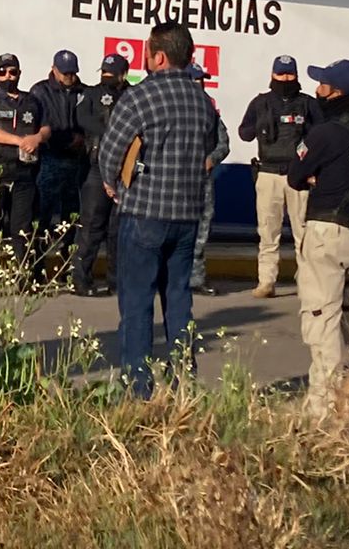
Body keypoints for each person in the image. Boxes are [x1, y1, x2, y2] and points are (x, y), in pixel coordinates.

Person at [98, 21, 227, 398]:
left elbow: (111, 151)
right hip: (187, 215)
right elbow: (209, 147)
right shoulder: (202, 101)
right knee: (178, 302)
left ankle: (138, 388)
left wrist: (113, 184)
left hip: (145, 213)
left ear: (158, 57)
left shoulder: (140, 97)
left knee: (137, 304)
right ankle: (182, 383)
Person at [287, 60, 349, 414]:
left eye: (323, 86)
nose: (317, 91)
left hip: (327, 233)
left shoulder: (326, 133)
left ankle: (324, 405)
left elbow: (296, 175)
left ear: (338, 93)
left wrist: (318, 178)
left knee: (322, 319)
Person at [237, 55, 321, 299]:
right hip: (268, 173)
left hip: (298, 175)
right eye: (281, 74)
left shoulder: (308, 104)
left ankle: (307, 281)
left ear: (296, 75)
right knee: (267, 232)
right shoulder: (260, 103)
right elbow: (244, 133)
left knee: (303, 233)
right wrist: (260, 124)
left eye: (290, 74)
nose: (285, 79)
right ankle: (266, 281)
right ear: (273, 74)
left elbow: (320, 137)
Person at [0, 52, 44, 266]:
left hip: (24, 173)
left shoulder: (32, 101)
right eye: (3, 72)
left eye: (12, 72)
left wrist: (38, 137)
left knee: (22, 228)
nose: (8, 76)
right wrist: (19, 141)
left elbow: (46, 126)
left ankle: (21, 275)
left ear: (19, 73)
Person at [71, 52, 130, 296]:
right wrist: (114, 132)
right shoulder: (91, 95)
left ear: (123, 74)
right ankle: (81, 280)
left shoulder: (133, 95)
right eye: (104, 72)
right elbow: (82, 119)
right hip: (97, 168)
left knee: (119, 230)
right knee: (91, 226)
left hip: (125, 170)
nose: (107, 77)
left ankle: (117, 281)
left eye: (111, 73)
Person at [28, 49, 87, 251]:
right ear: (53, 69)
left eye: (72, 73)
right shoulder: (39, 91)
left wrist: (83, 137)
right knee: (43, 212)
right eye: (65, 73)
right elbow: (37, 124)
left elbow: (90, 122)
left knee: (72, 214)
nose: (69, 77)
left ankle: (66, 260)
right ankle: (37, 261)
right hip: (49, 158)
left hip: (75, 160)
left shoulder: (83, 92)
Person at [186, 65, 231, 297]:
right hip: (175, 180)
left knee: (202, 228)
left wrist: (211, 159)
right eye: (195, 80)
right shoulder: (173, 108)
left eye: (201, 80)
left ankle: (196, 278)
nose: (199, 85)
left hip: (202, 180)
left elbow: (224, 142)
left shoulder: (210, 109)